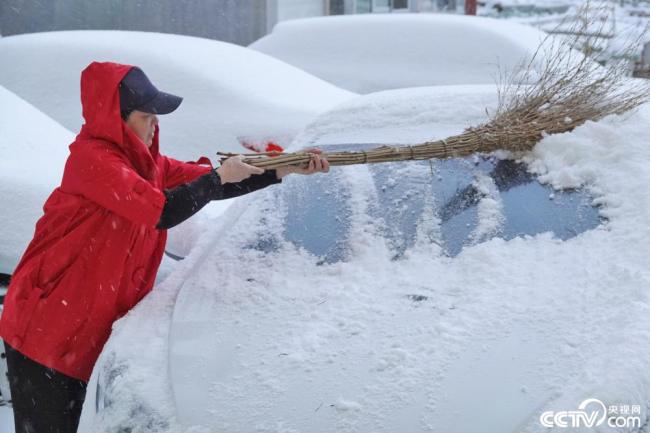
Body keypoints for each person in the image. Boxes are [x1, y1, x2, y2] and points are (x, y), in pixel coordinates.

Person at [0, 61, 329, 433]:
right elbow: (162, 211)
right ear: (115, 118)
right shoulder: (93, 161)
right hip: (45, 329)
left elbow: (211, 185)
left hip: (85, 332)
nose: (155, 122)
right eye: (146, 115)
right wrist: (218, 177)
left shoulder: (148, 165)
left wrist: (282, 169)